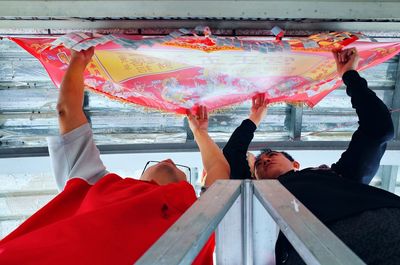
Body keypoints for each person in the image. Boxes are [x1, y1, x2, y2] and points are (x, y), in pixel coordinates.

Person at [0, 47, 229, 265]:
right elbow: (221, 174)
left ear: (140, 177)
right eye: (179, 168)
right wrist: (200, 133)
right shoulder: (200, 220)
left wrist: (78, 61)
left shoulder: (92, 183)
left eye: (157, 162)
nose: (168, 161)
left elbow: (66, 111)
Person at [223, 48, 400, 264]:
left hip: (381, 225)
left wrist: (350, 75)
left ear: (295, 164)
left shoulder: (337, 178)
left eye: (270, 155)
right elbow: (234, 154)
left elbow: (378, 129)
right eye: (259, 163)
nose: (265, 160)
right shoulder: (252, 193)